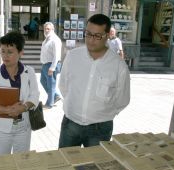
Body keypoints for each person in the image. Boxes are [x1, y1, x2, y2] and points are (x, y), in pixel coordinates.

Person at [58, 14, 130, 148]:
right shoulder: (73, 57)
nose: (91, 40)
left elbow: (122, 100)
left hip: (100, 129)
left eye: (97, 36)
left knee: (94, 168)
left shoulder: (118, 65)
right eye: (88, 34)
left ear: (108, 35)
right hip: (71, 123)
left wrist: (103, 114)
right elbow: (63, 86)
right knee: (65, 165)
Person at [0, 31, 40, 156]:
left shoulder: (29, 72)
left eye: (10, 52)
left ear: (20, 52)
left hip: (23, 128)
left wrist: (23, 107)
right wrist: (8, 110)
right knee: (2, 165)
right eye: (3, 51)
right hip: (1, 130)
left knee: (22, 162)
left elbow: (35, 95)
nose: (5, 56)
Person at [40, 22, 62, 109]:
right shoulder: (46, 40)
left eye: (48, 29)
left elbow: (56, 55)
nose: (46, 30)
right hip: (45, 64)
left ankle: (49, 104)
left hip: (51, 65)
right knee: (43, 81)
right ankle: (56, 96)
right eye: (45, 29)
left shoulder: (55, 39)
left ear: (53, 29)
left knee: (51, 84)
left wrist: (52, 68)